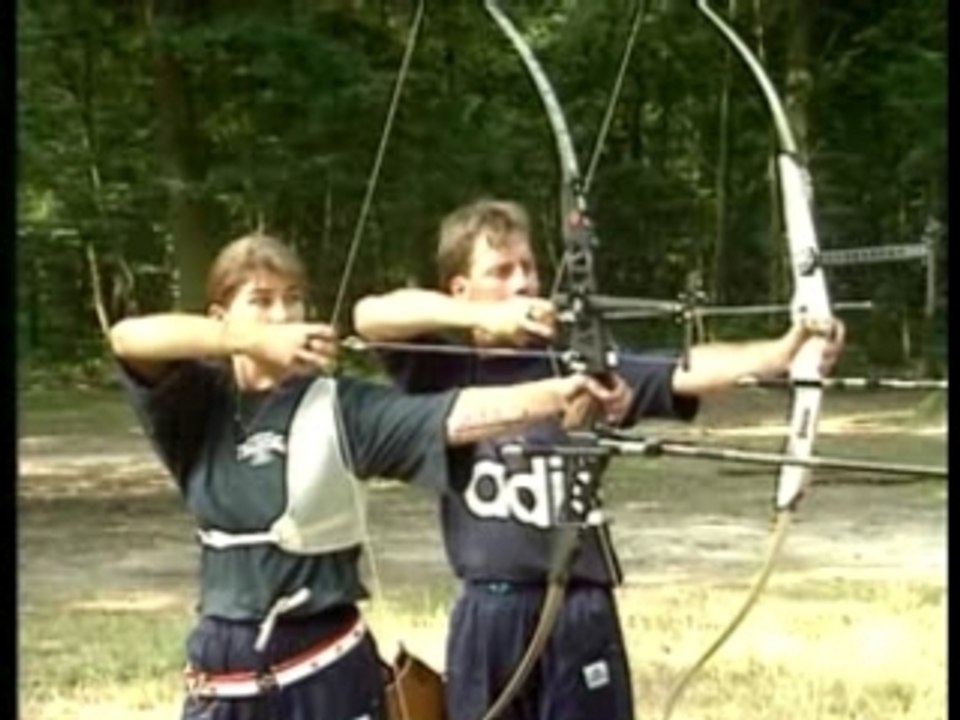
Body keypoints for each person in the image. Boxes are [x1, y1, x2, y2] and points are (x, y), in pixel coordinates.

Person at [352, 198, 846, 720]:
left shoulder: (580, 361)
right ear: (459, 288)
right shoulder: (440, 369)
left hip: (578, 610)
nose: (522, 283)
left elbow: (679, 370)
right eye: (500, 271)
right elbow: (371, 315)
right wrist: (483, 316)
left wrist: (777, 354)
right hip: (488, 612)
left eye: (528, 267)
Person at [108, 231, 622, 720]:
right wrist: (252, 342)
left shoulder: (340, 406)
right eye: (261, 301)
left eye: (293, 300)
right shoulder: (197, 406)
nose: (283, 314)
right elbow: (129, 337)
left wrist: (563, 392)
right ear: (222, 315)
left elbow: (456, 413)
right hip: (225, 665)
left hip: (326, 667)